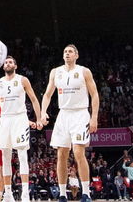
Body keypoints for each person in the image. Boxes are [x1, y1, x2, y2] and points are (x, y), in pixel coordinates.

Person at [42, 45, 100, 202]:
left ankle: (86, 193)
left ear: (76, 55)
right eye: (65, 52)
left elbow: (94, 94)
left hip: (80, 113)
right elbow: (47, 94)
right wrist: (43, 112)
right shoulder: (56, 72)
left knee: (78, 152)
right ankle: (62, 194)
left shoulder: (84, 71)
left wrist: (94, 117)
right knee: (61, 154)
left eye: (70, 52)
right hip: (63, 114)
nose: (67, 54)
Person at [0, 56, 45, 202]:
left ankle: (25, 194)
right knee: (5, 157)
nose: (7, 64)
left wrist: (38, 118)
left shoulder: (23, 80)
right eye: (6, 62)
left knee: (22, 155)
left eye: (10, 62)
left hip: (19, 118)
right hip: (4, 119)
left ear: (15, 66)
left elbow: (34, 99)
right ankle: (8, 193)